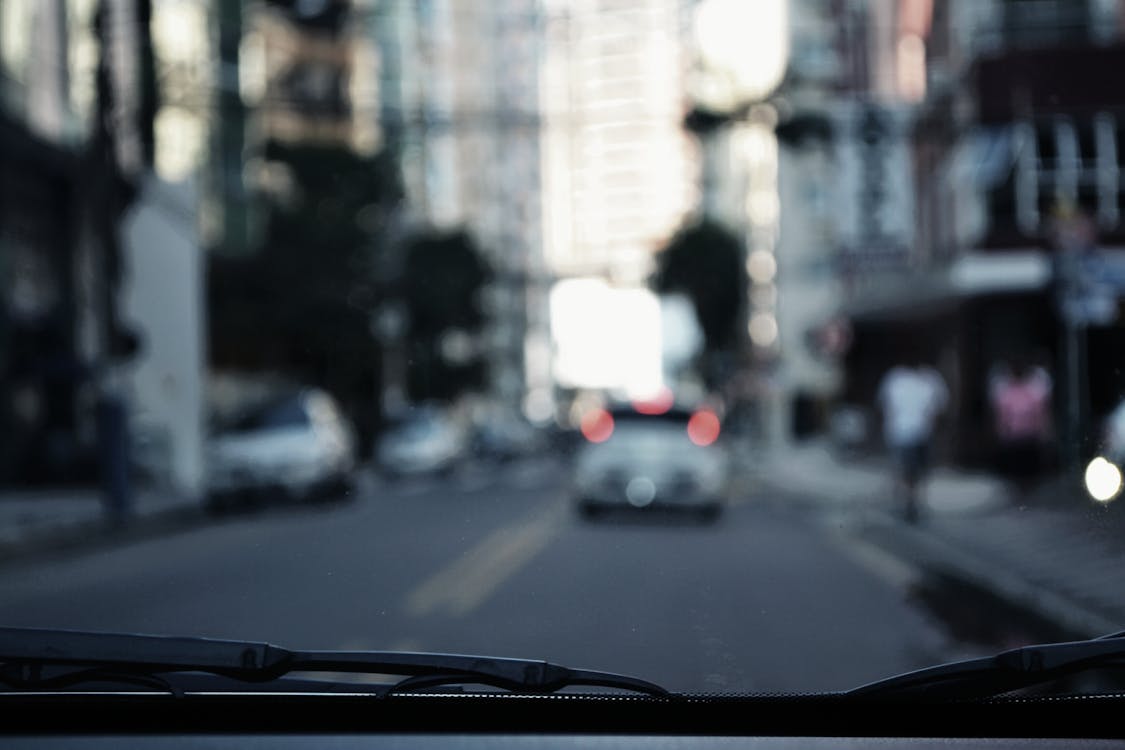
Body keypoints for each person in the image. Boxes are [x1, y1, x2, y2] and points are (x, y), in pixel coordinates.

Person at [877, 358, 949, 523]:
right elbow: (885, 404)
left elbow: (939, 406)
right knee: (905, 470)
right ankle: (907, 501)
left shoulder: (931, 378)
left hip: (922, 433)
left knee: (918, 471)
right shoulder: (895, 377)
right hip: (900, 432)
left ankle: (913, 501)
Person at [988, 356, 1052, 497]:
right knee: (1015, 469)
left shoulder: (1033, 390)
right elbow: (1002, 415)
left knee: (1029, 469)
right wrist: (1001, 433)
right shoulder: (1006, 391)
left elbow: (1040, 413)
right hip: (1014, 438)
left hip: (1029, 437)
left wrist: (1044, 432)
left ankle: (1029, 492)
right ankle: (1017, 492)